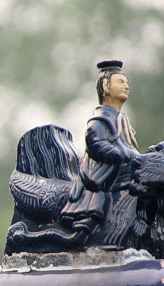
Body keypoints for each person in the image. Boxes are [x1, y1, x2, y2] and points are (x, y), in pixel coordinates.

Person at [60, 60, 140, 236]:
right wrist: (121, 153)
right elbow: (96, 145)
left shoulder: (122, 122)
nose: (126, 86)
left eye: (126, 82)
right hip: (100, 176)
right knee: (98, 200)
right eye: (120, 82)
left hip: (122, 175)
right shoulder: (99, 121)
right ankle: (86, 225)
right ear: (105, 86)